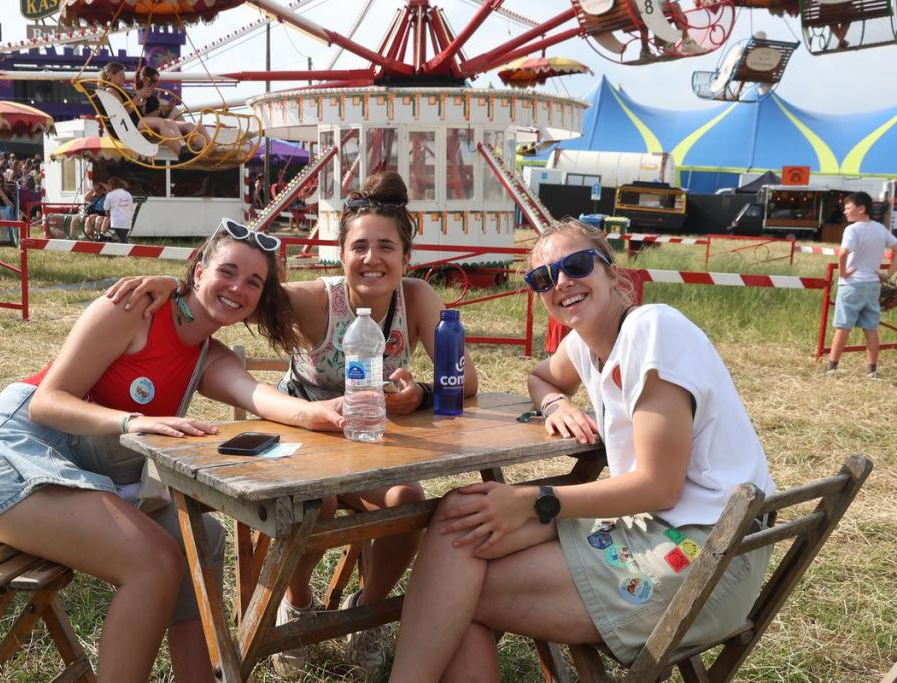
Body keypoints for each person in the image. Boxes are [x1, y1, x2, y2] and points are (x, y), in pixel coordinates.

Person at [107, 171, 480, 679]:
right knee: (315, 504)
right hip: (300, 445)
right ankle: (298, 605)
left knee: (409, 500)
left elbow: (465, 380)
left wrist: (423, 395)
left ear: (407, 258)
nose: (372, 258)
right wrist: (177, 285)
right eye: (359, 246)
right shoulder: (316, 300)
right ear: (340, 254)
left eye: (386, 247)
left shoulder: (415, 299)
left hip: (369, 449)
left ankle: (366, 613)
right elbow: (235, 294)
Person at [0, 223, 346, 683]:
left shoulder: (209, 356)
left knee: (200, 539)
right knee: (155, 562)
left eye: (254, 282)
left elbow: (257, 396)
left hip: (75, 470)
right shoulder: (133, 309)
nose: (238, 288)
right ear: (198, 271)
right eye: (228, 271)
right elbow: (46, 402)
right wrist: (132, 421)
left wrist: (321, 412)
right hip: (2, 456)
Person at [388, 220, 775, 683]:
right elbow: (540, 376)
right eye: (543, 278)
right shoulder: (585, 344)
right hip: (652, 529)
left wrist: (534, 501)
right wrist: (556, 403)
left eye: (576, 265)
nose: (561, 282)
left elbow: (659, 487)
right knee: (460, 514)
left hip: (706, 557)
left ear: (613, 273)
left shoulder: (654, 330)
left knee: (456, 595)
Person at [825, 191, 897, 379]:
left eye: (848, 208)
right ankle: (871, 371)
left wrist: (843, 273)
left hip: (852, 284)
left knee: (843, 326)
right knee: (871, 328)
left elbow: (843, 253)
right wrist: (888, 274)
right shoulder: (880, 229)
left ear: (861, 209)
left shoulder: (852, 230)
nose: (845, 212)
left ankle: (832, 367)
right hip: (873, 284)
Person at [99, 62, 185, 157]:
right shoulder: (110, 91)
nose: (124, 78)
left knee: (170, 122)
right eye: (121, 75)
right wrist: (139, 96)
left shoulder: (117, 90)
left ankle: (183, 146)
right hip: (128, 125)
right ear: (110, 75)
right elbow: (122, 112)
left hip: (133, 122)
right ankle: (180, 153)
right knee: (161, 122)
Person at [135, 66, 211, 153]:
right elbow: (141, 117)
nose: (155, 85)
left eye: (157, 82)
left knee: (192, 125)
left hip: (161, 124)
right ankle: (184, 146)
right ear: (145, 79)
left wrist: (168, 110)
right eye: (154, 81)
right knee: (169, 122)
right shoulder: (134, 96)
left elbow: (161, 116)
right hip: (147, 125)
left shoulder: (153, 99)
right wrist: (159, 109)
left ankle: (208, 149)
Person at [101, 176, 134, 243]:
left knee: (124, 241)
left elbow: (105, 207)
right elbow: (130, 206)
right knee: (122, 239)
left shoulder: (110, 194)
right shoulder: (128, 194)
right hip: (127, 220)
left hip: (117, 221)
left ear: (111, 185)